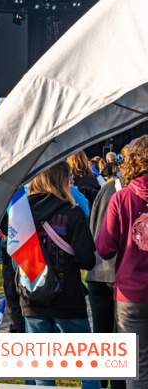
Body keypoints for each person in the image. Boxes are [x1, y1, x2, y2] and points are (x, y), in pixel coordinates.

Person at [19, 162, 98, 389]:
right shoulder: (72, 212)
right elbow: (87, 260)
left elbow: (12, 251)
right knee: (87, 364)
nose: (72, 181)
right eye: (69, 177)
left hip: (32, 295)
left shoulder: (21, 212)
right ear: (60, 180)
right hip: (68, 297)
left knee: (43, 368)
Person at [96, 136, 148, 389]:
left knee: (137, 365)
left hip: (131, 292)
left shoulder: (121, 198)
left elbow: (105, 249)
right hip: (131, 292)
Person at [88, 147, 128, 389]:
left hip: (97, 271)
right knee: (118, 338)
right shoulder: (129, 194)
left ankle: (101, 383)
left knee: (102, 336)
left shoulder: (105, 189)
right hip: (118, 272)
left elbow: (93, 225)